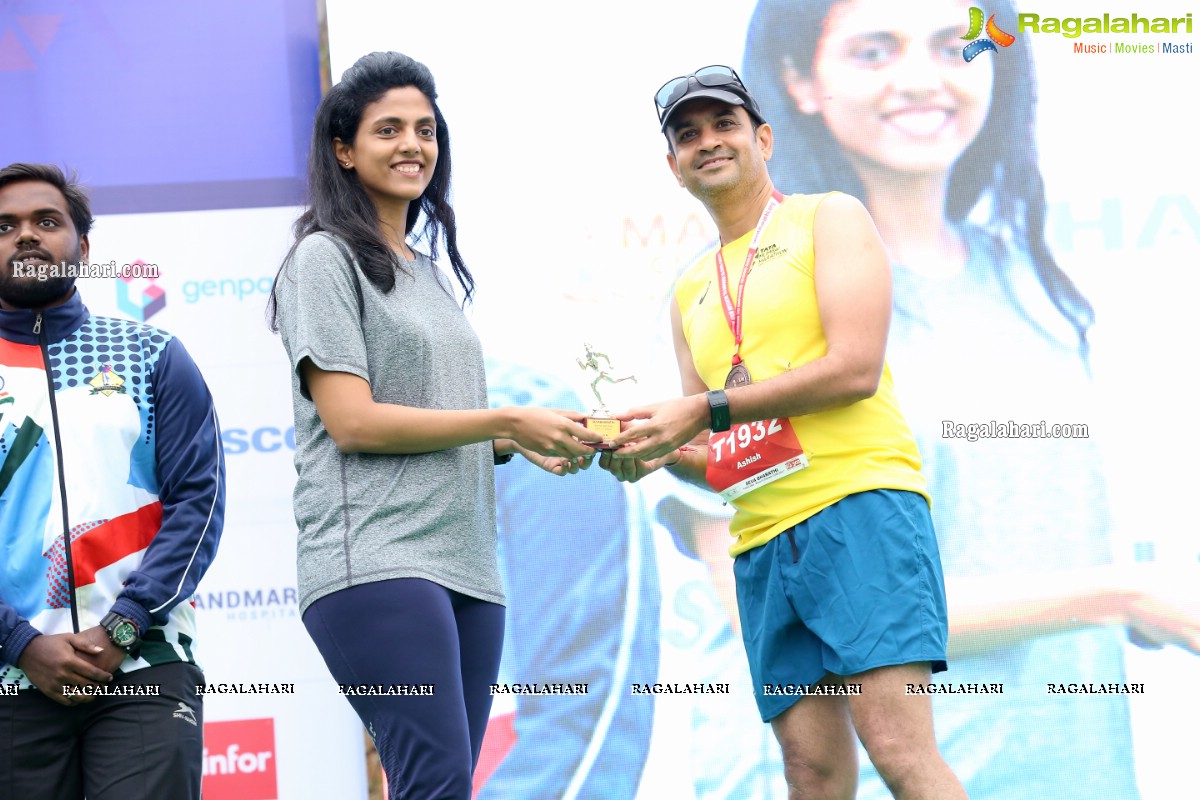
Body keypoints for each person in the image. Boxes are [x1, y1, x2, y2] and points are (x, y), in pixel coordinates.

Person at [742, 0, 1200, 796]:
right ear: (796, 79)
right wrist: (1118, 597)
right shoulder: (758, 298)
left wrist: (1130, 606)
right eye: (874, 51)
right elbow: (799, 609)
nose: (922, 79)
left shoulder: (1029, 283)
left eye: (956, 47)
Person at [601, 66, 967, 798]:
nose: (707, 142)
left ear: (763, 137)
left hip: (859, 507)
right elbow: (720, 459)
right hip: (763, 541)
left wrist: (699, 411)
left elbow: (855, 368)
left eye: (724, 124)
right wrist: (657, 451)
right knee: (811, 771)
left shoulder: (828, 217)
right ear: (672, 167)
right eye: (687, 135)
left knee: (900, 750)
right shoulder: (688, 288)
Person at [268, 52, 600, 799]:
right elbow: (352, 422)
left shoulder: (427, 271)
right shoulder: (322, 259)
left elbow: (435, 419)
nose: (413, 144)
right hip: (378, 561)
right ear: (344, 151)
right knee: (437, 781)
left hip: (470, 568)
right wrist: (506, 417)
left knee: (443, 785)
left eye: (425, 129)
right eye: (388, 130)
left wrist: (528, 439)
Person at [0, 162, 226, 799]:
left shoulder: (154, 355)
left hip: (143, 666)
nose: (26, 236)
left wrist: (122, 627)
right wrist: (19, 643)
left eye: (47, 221)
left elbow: (197, 506)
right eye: (5, 225)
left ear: (85, 246)